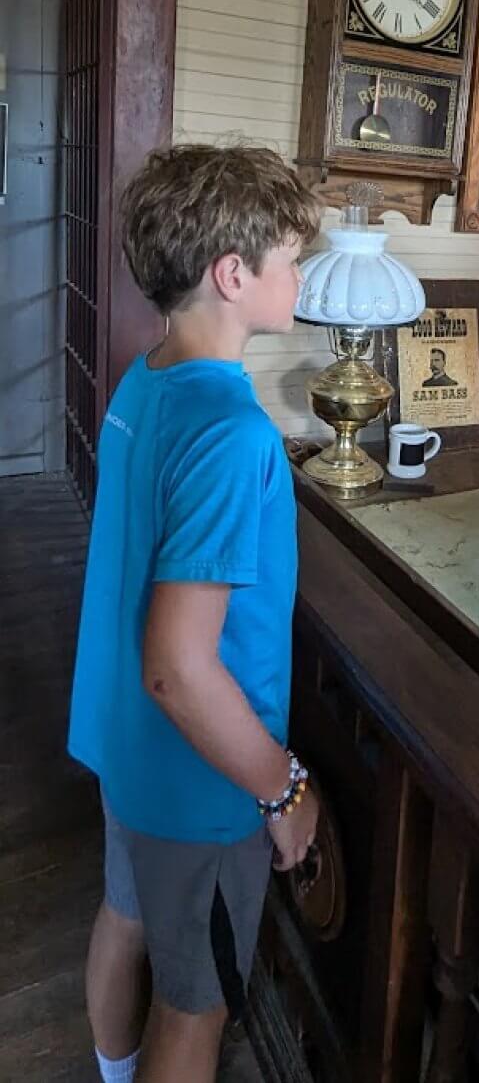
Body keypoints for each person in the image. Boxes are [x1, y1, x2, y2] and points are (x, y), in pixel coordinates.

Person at [68, 144, 322, 1083]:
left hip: (123, 751)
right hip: (199, 779)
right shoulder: (234, 431)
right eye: (288, 257)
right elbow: (178, 663)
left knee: (125, 915)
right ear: (234, 274)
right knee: (197, 1005)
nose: (297, 275)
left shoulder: (148, 380)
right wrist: (284, 787)